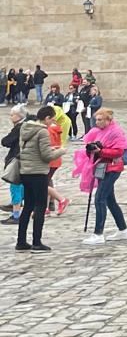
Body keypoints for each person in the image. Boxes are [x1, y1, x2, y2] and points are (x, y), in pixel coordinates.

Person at [79, 108, 127, 246]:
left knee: (99, 198)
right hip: (102, 168)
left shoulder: (116, 132)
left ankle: (98, 233)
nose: (97, 122)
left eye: (100, 120)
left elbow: (118, 151)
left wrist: (101, 151)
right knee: (110, 200)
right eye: (96, 119)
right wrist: (91, 150)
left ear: (108, 120)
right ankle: (123, 230)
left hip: (113, 168)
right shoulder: (97, 132)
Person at [14, 105, 63, 253]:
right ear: (46, 118)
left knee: (27, 206)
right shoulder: (42, 131)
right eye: (51, 119)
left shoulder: (25, 128)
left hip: (25, 172)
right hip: (38, 173)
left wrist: (49, 149)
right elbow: (46, 156)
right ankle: (37, 242)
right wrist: (60, 151)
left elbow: (32, 149)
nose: (52, 122)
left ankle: (21, 241)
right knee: (40, 207)